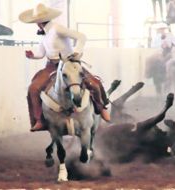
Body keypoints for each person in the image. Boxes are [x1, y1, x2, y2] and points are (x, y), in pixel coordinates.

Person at [19, 3, 110, 132]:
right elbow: (41, 53)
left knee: (94, 82)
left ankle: (101, 107)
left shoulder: (57, 28)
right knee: (33, 88)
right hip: (51, 66)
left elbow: (81, 37)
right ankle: (39, 120)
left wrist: (76, 53)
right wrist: (32, 56)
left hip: (69, 63)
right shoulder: (44, 35)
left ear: (39, 22)